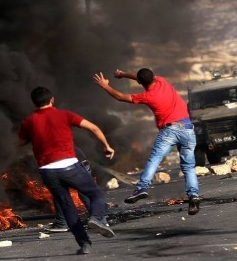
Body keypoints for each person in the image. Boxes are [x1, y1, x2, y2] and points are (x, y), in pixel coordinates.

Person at [19, 86, 116, 255]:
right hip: (70, 167)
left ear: (34, 103)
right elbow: (93, 128)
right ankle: (97, 218)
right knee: (95, 194)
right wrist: (106, 146)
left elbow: (20, 142)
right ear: (52, 100)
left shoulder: (28, 122)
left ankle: (84, 244)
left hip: (47, 172)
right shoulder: (64, 115)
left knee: (67, 206)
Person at [93, 68, 201, 215]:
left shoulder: (147, 96)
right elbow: (140, 77)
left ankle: (142, 188)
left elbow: (120, 97)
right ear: (153, 77)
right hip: (188, 129)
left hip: (170, 131)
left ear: (139, 82)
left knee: (155, 159)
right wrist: (123, 74)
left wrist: (105, 86)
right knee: (188, 167)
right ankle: (194, 195)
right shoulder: (162, 81)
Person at [46, 147, 93, 233]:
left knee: (60, 193)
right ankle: (99, 219)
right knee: (85, 192)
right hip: (81, 162)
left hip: (67, 165)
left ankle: (62, 223)